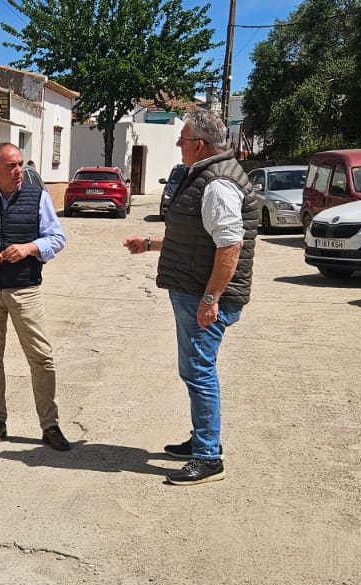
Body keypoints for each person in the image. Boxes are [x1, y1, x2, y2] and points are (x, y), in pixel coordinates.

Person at [122, 109, 262, 485]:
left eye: (182, 140)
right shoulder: (206, 175)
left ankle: (208, 457)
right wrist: (149, 243)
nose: (178, 145)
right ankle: (202, 439)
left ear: (199, 145)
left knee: (199, 372)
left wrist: (211, 299)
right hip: (196, 290)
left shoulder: (217, 183)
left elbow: (230, 245)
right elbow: (196, 237)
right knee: (194, 371)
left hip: (203, 295)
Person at [0, 143, 71, 451]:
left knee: (42, 357)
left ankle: (50, 425)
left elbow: (57, 237)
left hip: (25, 288)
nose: (19, 170)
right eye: (12, 166)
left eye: (20, 164)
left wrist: (30, 248)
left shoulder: (38, 197)